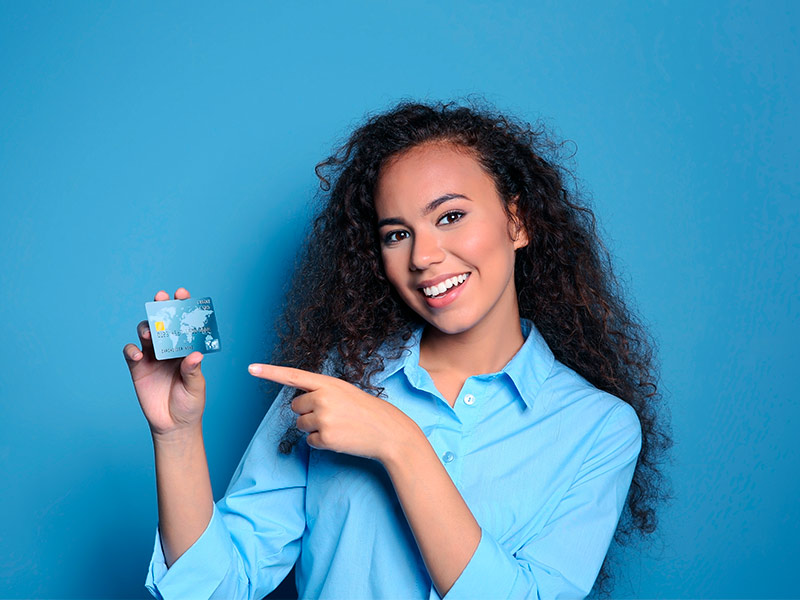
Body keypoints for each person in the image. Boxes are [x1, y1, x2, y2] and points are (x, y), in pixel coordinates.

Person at [123, 100, 671, 600]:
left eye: (450, 216)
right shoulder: (338, 380)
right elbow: (216, 589)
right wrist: (176, 437)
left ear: (517, 221)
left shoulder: (600, 428)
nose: (424, 255)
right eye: (396, 233)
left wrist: (402, 444)